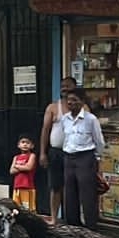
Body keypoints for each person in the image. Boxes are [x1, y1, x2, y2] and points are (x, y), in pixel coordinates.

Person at [58, 89, 105, 229]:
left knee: (87, 193)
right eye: (69, 100)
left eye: (74, 100)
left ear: (82, 102)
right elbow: (65, 138)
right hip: (69, 157)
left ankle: (91, 226)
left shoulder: (91, 119)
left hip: (85, 157)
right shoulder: (64, 119)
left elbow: (99, 141)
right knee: (70, 193)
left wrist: (96, 158)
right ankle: (73, 226)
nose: (71, 103)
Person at [37, 75, 78, 223]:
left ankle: (71, 219)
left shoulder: (82, 108)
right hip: (56, 152)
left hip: (74, 153)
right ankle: (54, 218)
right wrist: (42, 153)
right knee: (55, 186)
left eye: (68, 85)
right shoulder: (53, 107)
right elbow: (45, 130)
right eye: (62, 86)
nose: (65, 88)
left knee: (72, 187)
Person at [9, 137, 37, 211]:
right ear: (18, 145)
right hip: (17, 186)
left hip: (27, 186)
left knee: (27, 208)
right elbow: (11, 171)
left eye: (28, 143)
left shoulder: (32, 156)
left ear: (32, 146)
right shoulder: (16, 157)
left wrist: (17, 166)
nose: (25, 144)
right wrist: (22, 167)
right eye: (23, 142)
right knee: (16, 207)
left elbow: (28, 167)